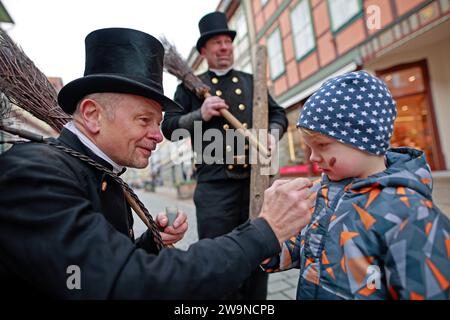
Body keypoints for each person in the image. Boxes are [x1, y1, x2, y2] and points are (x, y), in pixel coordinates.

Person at [0, 27, 313, 299]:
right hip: (216, 183)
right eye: (144, 120)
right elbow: (129, 284)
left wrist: (151, 243)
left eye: (157, 121)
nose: (157, 135)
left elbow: (98, 266)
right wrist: (265, 231)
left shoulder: (98, 172)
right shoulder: (34, 175)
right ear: (93, 115)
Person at [262, 71, 450, 299]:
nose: (312, 157)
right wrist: (267, 239)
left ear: (364, 140)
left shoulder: (412, 214)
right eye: (309, 147)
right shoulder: (322, 194)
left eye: (322, 145)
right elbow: (305, 246)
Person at [161, 11, 288, 300]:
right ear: (204, 51)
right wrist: (200, 114)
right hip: (215, 185)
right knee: (219, 256)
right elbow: (169, 127)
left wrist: (272, 133)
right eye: (216, 43)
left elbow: (278, 113)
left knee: (261, 249)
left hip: (254, 183)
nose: (224, 47)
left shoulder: (250, 81)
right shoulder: (189, 87)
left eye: (227, 42)